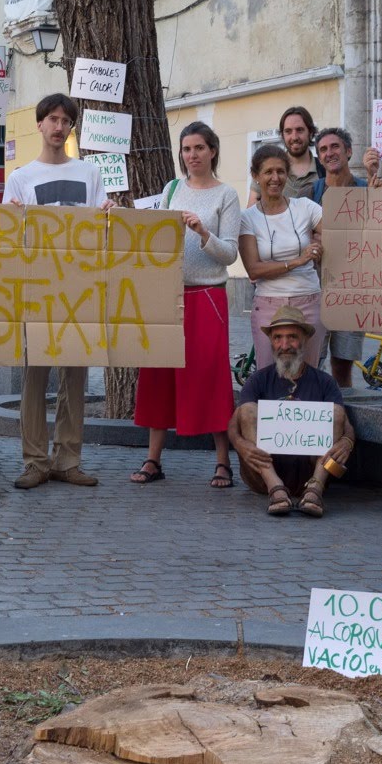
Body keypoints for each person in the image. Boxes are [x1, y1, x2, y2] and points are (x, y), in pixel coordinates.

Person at [3, 92, 113, 490]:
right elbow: (7, 236)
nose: (58, 126)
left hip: (81, 285)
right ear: (39, 123)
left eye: (66, 121)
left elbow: (104, 224)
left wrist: (110, 215)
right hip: (37, 284)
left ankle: (68, 460)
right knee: (35, 376)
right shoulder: (21, 176)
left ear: (72, 128)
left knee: (75, 375)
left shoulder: (89, 173)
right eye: (51, 119)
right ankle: (35, 461)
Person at [130, 121, 242, 489]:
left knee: (210, 376)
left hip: (208, 296)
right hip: (170, 294)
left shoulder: (226, 195)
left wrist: (201, 232)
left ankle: (223, 461)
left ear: (212, 151)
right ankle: (153, 459)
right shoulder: (172, 188)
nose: (191, 155)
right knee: (159, 374)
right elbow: (157, 239)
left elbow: (229, 253)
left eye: (198, 148)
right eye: (186, 149)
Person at [227, 308, 354, 517]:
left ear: (304, 340)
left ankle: (315, 489)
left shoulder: (324, 381)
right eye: (278, 338)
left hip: (312, 469)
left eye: (292, 337)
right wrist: (241, 445)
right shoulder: (258, 380)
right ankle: (275, 487)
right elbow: (235, 421)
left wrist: (347, 442)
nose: (284, 345)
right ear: (271, 341)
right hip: (262, 473)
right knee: (248, 410)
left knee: (336, 413)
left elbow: (345, 422)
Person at [239, 144, 325, 371]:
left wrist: (320, 241)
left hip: (309, 300)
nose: (275, 178)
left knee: (310, 375)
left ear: (288, 174)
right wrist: (297, 261)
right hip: (269, 304)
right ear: (255, 176)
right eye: (268, 172)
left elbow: (339, 234)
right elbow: (254, 270)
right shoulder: (248, 218)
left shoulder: (305, 207)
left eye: (280, 171)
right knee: (269, 375)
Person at [310, 127, 380, 387]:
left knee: (342, 367)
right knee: (310, 362)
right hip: (314, 288)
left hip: (351, 289)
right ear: (318, 157)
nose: (330, 153)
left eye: (335, 147)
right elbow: (295, 235)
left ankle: (342, 417)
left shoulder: (367, 189)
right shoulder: (310, 192)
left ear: (349, 151)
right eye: (323, 149)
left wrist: (377, 186)